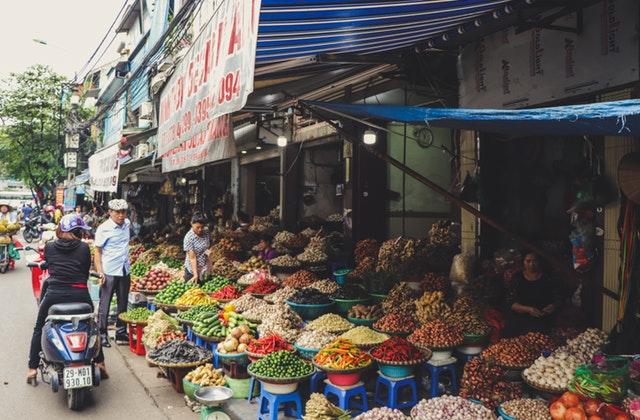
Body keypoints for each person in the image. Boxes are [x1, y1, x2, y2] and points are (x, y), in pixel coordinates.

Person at [27, 214, 106, 383]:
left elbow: (49, 263)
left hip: (54, 295)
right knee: (93, 326)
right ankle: (100, 364)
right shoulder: (84, 249)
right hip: (81, 295)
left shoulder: (49, 247)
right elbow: (84, 272)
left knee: (38, 328)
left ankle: (32, 369)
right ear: (77, 232)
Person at [94, 199, 131, 347]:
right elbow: (97, 252)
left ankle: (121, 332)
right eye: (118, 212)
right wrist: (100, 272)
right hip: (109, 271)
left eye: (124, 212)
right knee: (105, 305)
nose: (121, 215)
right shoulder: (103, 229)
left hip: (124, 270)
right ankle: (102, 334)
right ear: (110, 212)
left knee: (123, 304)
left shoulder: (127, 224)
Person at [506, 252, 562, 336]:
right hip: (521, 319)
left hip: (542, 317)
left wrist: (552, 306)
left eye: (535, 261)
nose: (532, 264)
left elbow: (558, 298)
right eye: (528, 261)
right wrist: (529, 309)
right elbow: (511, 302)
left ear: (540, 262)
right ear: (523, 262)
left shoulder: (548, 277)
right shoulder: (517, 278)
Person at [183, 213, 210, 284]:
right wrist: (195, 274)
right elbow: (192, 258)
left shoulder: (206, 231)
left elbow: (207, 248)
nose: (200, 229)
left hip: (204, 269)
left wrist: (209, 265)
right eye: (197, 227)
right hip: (192, 270)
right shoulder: (189, 238)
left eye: (202, 227)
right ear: (191, 224)